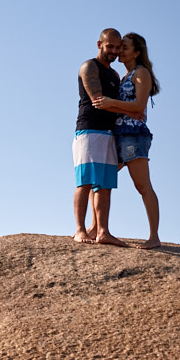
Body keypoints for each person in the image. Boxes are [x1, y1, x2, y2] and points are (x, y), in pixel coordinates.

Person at [92, 32, 161, 249]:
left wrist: (111, 102)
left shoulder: (142, 73)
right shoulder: (125, 76)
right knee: (101, 181)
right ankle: (96, 228)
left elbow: (139, 106)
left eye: (125, 47)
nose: (119, 51)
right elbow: (121, 108)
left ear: (137, 52)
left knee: (142, 185)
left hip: (134, 135)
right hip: (118, 135)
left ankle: (154, 237)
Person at [73, 29, 127, 246]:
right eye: (110, 46)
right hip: (88, 130)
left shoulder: (114, 75)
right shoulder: (89, 67)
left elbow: (111, 104)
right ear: (100, 44)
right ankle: (79, 230)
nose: (114, 51)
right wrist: (131, 110)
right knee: (84, 182)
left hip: (108, 133)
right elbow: (97, 100)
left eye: (117, 48)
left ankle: (103, 231)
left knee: (104, 185)